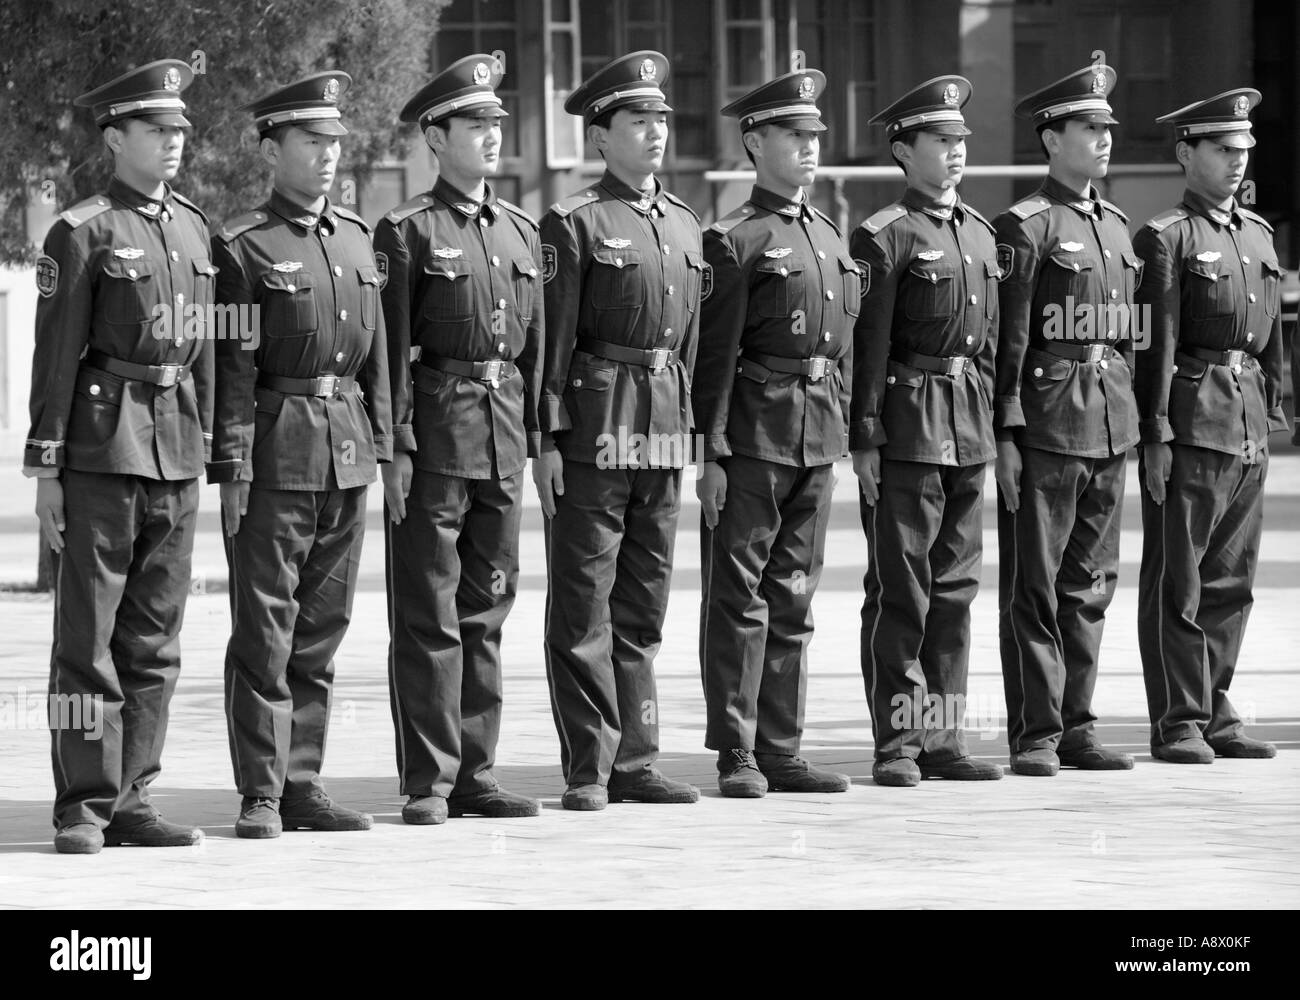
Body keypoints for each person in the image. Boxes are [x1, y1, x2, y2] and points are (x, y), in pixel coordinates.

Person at [25, 59, 211, 855]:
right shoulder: (81, 230)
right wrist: (46, 469)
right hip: (102, 450)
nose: (172, 144)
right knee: (86, 641)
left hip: (176, 447)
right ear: (114, 138)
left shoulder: (197, 228)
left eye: (178, 132)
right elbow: (56, 353)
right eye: (155, 130)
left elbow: (204, 353)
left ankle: (135, 795)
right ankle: (82, 804)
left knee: (155, 639)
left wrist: (215, 451)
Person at [208, 71, 392, 837]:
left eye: (333, 144)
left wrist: (382, 449)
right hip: (275, 453)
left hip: (345, 450)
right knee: (266, 629)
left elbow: (375, 357)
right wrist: (233, 468)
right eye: (309, 142)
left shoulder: (356, 238)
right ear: (271, 149)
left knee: (321, 627)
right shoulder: (241, 247)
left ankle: (302, 781)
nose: (326, 156)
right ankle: (259, 788)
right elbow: (231, 369)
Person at [374, 55, 543, 824]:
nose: (491, 137)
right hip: (436, 439)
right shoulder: (406, 231)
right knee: (428, 613)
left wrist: (538, 443)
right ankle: (428, 781)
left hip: (503, 436)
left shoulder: (519, 231)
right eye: (474, 124)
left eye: (496, 124)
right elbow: (389, 349)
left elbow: (531, 351)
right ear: (435, 137)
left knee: (488, 609)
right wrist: (397, 447)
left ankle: (477, 771)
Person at [535, 51, 702, 810]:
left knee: (643, 604)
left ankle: (636, 759)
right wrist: (546, 440)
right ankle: (588, 767)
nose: (655, 131)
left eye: (661, 118)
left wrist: (691, 431)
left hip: (663, 428)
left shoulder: (685, 225)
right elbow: (553, 341)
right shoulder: (573, 223)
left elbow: (690, 346)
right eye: (637, 120)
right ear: (601, 136)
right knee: (584, 602)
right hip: (597, 427)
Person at [694, 69, 853, 798]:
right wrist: (713, 451)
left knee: (793, 598)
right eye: (794, 134)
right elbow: (715, 355)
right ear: (756, 142)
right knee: (740, 599)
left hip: (816, 439)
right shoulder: (734, 239)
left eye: (814, 134)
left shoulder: (827, 235)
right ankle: (738, 751)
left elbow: (839, 346)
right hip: (753, 440)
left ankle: (783, 746)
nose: (809, 146)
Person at [849, 76, 1004, 787]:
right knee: (902, 591)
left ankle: (943, 737)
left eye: (960, 141)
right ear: (904, 152)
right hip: (908, 428)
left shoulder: (979, 233)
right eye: (940, 142)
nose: (955, 153)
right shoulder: (885, 236)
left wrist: (1000, 429)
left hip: (968, 423)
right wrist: (865, 437)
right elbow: (868, 345)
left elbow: (992, 344)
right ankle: (898, 743)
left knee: (955, 590)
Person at [992, 65, 1140, 777]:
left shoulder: (1115, 226)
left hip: (1109, 422)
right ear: (1052, 137)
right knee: (1037, 585)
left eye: (1108, 127)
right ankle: (1036, 731)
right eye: (1090, 127)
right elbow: (1009, 339)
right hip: (1047, 425)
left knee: (1091, 584)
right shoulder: (1025, 226)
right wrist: (1009, 434)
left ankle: (1078, 724)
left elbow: (1124, 336)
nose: (1104, 138)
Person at [1133, 89, 1286, 763]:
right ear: (1185, 154)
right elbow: (1156, 343)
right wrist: (1155, 431)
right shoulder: (1166, 236)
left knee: (1231, 581)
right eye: (1221, 149)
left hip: (1247, 420)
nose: (1235, 160)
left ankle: (1216, 708)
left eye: (1242, 149)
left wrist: (1275, 411)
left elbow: (1270, 337)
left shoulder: (1258, 235)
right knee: (1180, 579)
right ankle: (1178, 719)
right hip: (1191, 423)